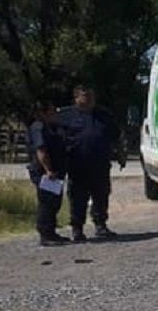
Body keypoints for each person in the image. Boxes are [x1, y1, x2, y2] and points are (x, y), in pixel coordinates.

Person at [58, 85, 124, 242]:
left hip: (100, 164)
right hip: (77, 165)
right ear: (76, 98)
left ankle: (101, 225)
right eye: (85, 96)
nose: (89, 99)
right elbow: (57, 140)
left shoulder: (103, 115)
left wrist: (121, 155)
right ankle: (77, 228)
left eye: (91, 96)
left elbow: (116, 136)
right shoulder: (66, 116)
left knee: (101, 195)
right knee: (78, 197)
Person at [27, 101, 68, 247]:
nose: (55, 113)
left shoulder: (52, 127)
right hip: (44, 172)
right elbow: (41, 150)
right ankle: (45, 234)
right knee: (46, 202)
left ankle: (52, 232)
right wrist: (48, 169)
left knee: (55, 201)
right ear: (42, 113)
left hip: (55, 171)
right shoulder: (39, 127)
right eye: (52, 111)